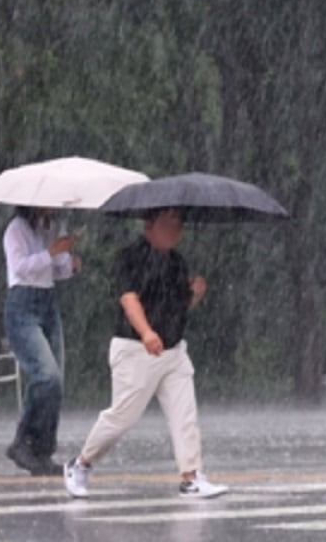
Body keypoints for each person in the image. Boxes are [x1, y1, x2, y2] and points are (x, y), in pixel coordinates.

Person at [64, 208, 228, 500]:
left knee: (184, 414)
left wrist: (196, 295)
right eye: (171, 222)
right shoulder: (131, 256)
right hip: (136, 349)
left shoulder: (177, 262)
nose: (177, 229)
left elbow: (179, 307)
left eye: (179, 223)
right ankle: (81, 464)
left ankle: (191, 477)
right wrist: (146, 332)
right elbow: (129, 298)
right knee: (121, 418)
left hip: (174, 350)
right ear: (150, 225)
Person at [3, 207, 81, 476]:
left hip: (48, 301)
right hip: (22, 302)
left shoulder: (54, 227)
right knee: (45, 375)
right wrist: (51, 252)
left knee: (56, 381)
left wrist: (69, 263)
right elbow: (21, 268)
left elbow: (54, 271)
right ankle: (22, 440)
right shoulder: (17, 229)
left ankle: (43, 451)